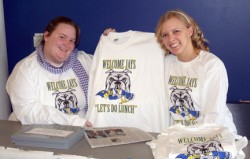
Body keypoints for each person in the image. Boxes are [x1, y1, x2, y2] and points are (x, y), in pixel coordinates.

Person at [155, 9, 236, 133]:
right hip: (181, 139)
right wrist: (113, 39)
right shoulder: (165, 63)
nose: (171, 39)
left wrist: (194, 143)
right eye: (165, 35)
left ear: (190, 31)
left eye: (176, 31)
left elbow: (213, 117)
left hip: (215, 138)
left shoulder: (211, 65)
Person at [6, 16, 92, 127]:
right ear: (46, 36)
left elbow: (110, 65)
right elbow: (27, 111)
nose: (67, 44)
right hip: (36, 137)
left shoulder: (82, 61)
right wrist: (73, 121)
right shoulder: (25, 68)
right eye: (62, 37)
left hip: (79, 133)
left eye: (72, 40)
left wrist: (109, 40)